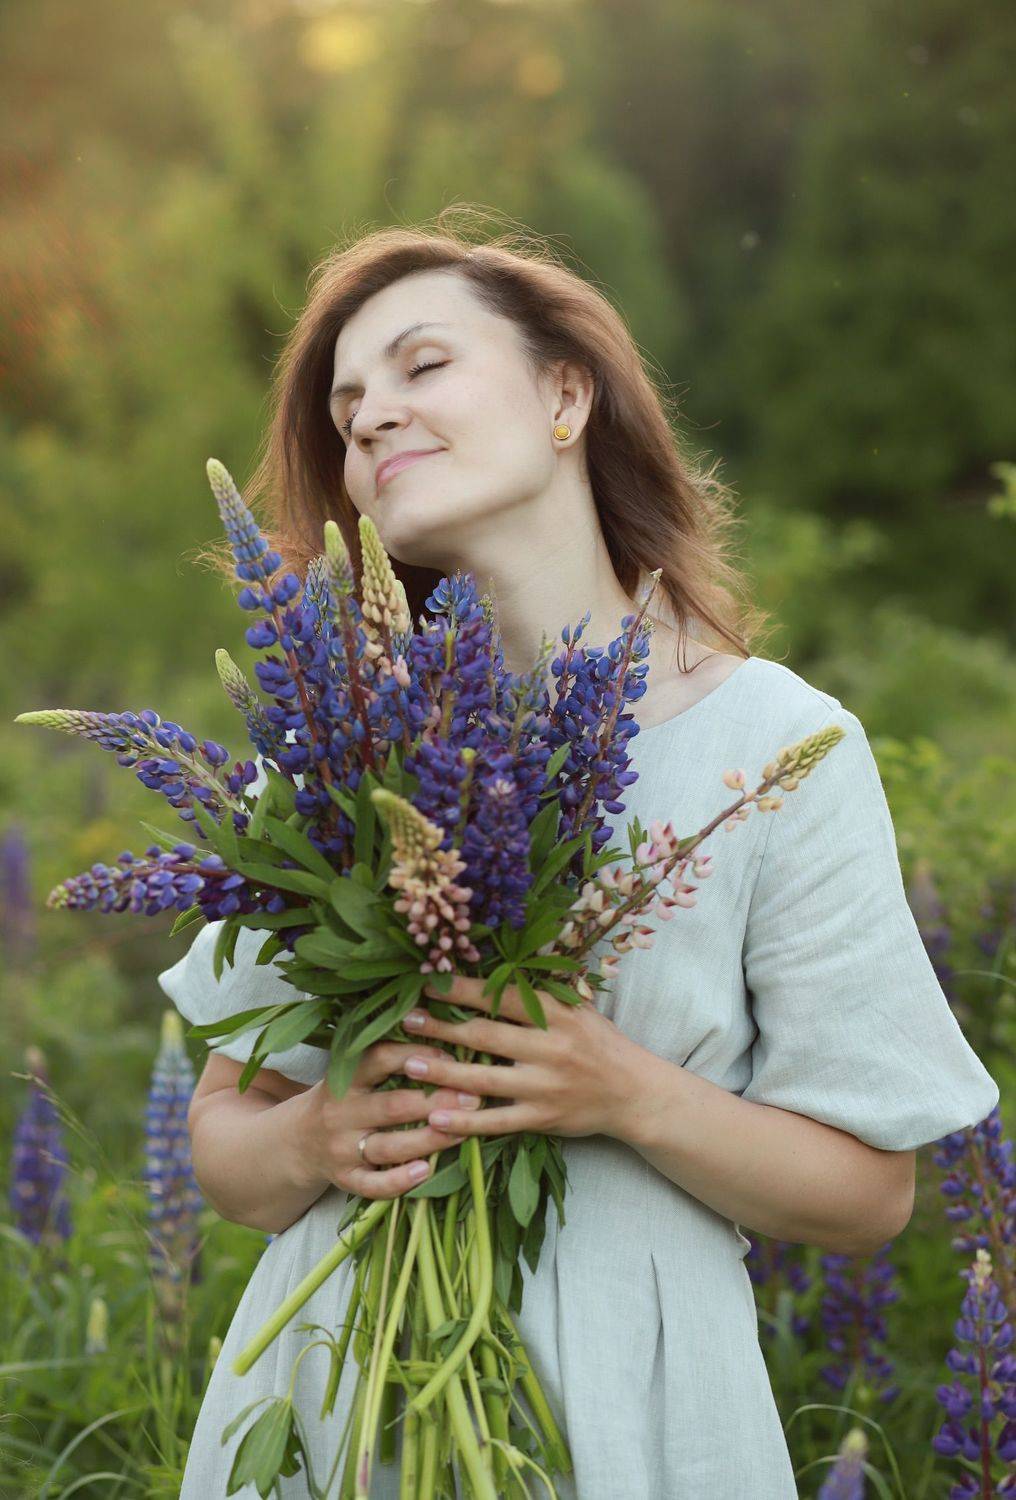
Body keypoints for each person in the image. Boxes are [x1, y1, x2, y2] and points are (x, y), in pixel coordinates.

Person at [160, 210, 1000, 1498]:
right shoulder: (334, 746)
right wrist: (316, 1137)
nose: (370, 417)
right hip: (335, 1387)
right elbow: (224, 1134)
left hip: (635, 1393)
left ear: (566, 395)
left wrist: (623, 1091)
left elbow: (871, 1196)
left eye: (421, 364)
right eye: (345, 407)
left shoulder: (781, 744)